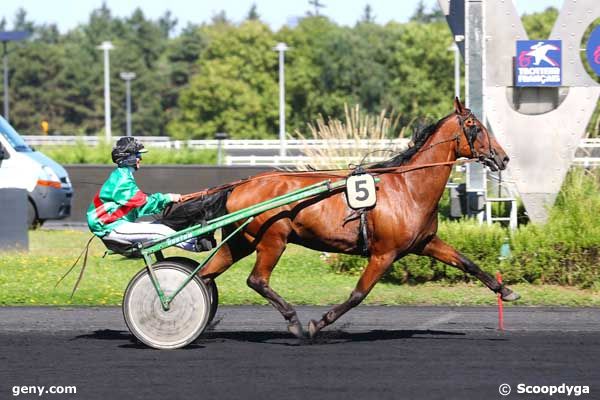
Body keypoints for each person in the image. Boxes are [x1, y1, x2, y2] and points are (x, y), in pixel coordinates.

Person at [87, 137, 211, 252]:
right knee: (161, 231)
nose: (140, 158)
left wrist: (166, 200)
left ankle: (195, 238)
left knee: (161, 225)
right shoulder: (121, 180)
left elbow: (139, 207)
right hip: (111, 227)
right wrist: (167, 198)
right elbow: (144, 202)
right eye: (138, 155)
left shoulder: (123, 176)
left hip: (117, 224)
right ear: (129, 158)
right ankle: (195, 244)